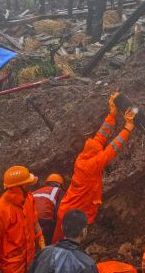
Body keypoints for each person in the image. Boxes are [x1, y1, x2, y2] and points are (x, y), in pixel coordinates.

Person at [52, 94, 135, 243]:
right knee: (63, 245)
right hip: (72, 216)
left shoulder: (84, 156)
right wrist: (126, 129)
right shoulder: (91, 165)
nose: (100, 146)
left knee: (60, 245)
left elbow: (100, 137)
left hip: (68, 211)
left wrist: (112, 115)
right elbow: (111, 150)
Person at [33, 174, 66, 244]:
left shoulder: (35, 192)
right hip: (45, 221)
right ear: (60, 185)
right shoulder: (59, 191)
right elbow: (61, 210)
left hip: (30, 222)